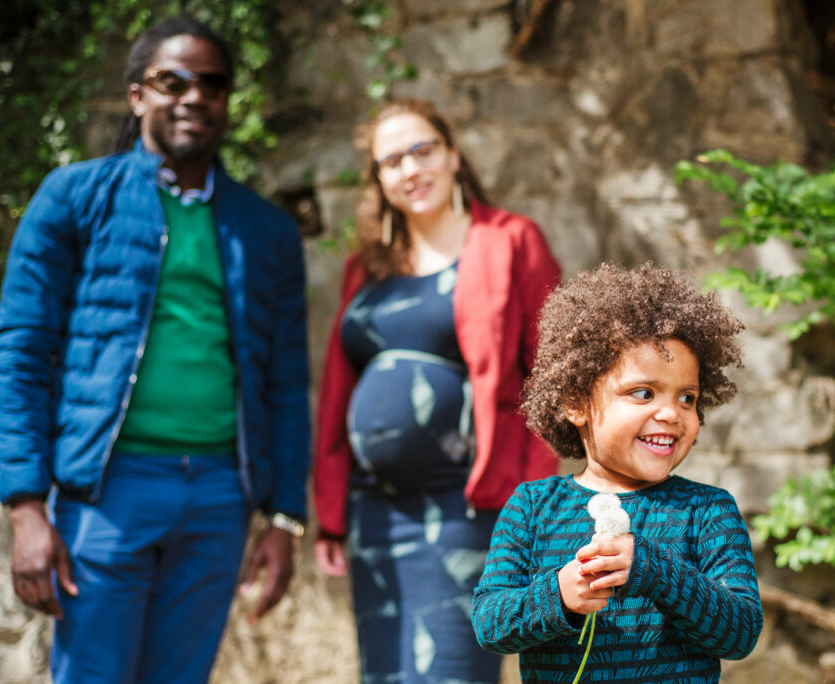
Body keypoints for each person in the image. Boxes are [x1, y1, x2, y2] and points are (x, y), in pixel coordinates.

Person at [0, 16, 309, 684]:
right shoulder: (74, 198)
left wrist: (283, 518)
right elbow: (19, 354)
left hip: (220, 497)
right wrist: (25, 507)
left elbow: (284, 383)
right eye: (173, 80)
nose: (194, 96)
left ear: (226, 103)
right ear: (138, 94)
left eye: (212, 85)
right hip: (106, 493)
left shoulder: (266, 230)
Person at [313, 97, 561, 682]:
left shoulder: (511, 241)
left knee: (453, 670)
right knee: (386, 672)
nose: (410, 169)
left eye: (422, 150)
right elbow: (335, 393)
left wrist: (534, 510)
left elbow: (549, 382)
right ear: (378, 180)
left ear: (452, 155)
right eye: (391, 161)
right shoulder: (366, 267)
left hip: (470, 505)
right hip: (375, 512)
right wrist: (328, 514)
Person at [471, 263, 764, 683]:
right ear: (576, 403)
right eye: (643, 393)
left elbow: (740, 633)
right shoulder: (532, 507)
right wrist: (558, 596)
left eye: (687, 397)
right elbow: (488, 624)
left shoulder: (707, 510)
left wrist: (653, 569)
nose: (671, 413)